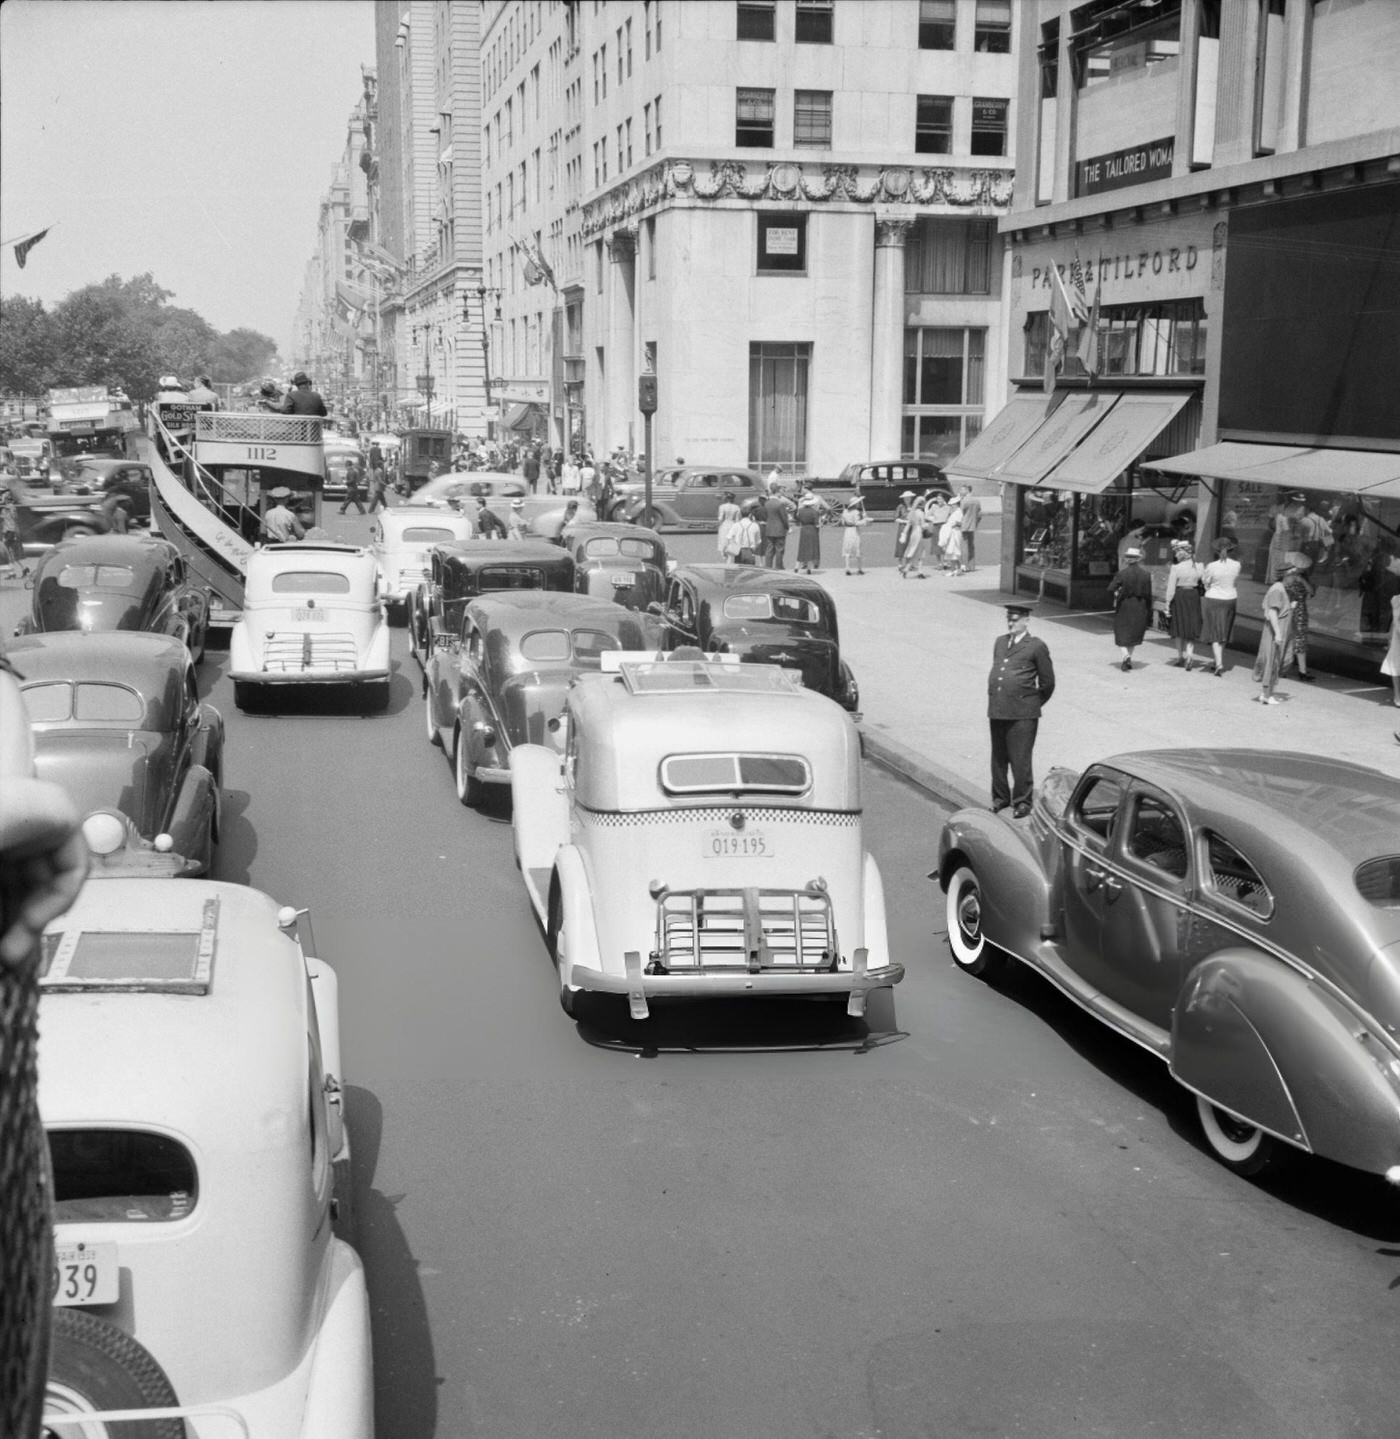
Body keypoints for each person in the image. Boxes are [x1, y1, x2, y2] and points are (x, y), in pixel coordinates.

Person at [987, 601, 1055, 818]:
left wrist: (1031, 703)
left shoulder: (1036, 646)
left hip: (1023, 713)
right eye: (1008, 618)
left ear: (1027, 621)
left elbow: (1047, 682)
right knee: (998, 758)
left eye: (1015, 619)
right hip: (998, 708)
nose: (1011, 623)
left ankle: (1022, 801)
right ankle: (1000, 797)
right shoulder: (1000, 642)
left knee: (1020, 759)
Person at [1252, 563, 1297, 705]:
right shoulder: (1277, 589)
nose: (1294, 578)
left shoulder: (1282, 589)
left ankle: (1267, 693)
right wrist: (1277, 633)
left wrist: (1290, 607)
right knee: (1272, 660)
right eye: (1292, 575)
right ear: (1285, 575)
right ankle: (1266, 695)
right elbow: (1272, 612)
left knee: (1276, 661)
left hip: (1280, 629)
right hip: (1275, 630)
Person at [1106, 546, 1153, 671]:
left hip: (1125, 605)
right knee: (1134, 633)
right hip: (1140, 605)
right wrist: (1149, 610)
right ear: (1138, 559)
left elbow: (1110, 588)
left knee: (1121, 632)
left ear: (1128, 559)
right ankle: (1128, 658)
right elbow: (1148, 594)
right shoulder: (1146, 574)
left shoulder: (1122, 573)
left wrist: (1117, 595)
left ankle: (1125, 655)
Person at [1200, 535, 1241, 676]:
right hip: (1230, 599)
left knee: (1214, 632)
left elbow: (1205, 582)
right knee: (1224, 632)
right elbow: (1235, 582)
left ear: (1216, 551)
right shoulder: (1237, 565)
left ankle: (1218, 663)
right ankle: (1217, 659)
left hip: (1214, 599)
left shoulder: (1211, 566)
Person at [1163, 539, 1205, 670]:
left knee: (1179, 627)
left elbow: (1171, 588)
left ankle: (1180, 657)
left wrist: (1167, 604)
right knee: (1190, 627)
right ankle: (1190, 655)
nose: (1175, 554)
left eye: (1176, 552)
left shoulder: (1176, 568)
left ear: (1180, 554)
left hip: (1180, 596)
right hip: (1193, 596)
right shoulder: (1199, 566)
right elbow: (1204, 582)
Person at [1283, 561, 1317, 682]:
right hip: (1293, 612)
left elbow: (1311, 592)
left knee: (1298, 641)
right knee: (1290, 640)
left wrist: (1301, 580)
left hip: (1298, 613)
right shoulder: (1286, 579)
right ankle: (1287, 668)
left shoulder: (1301, 579)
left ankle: (1301, 670)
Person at [793, 487, 825, 574]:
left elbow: (798, 519)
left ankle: (796, 566)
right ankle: (809, 568)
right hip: (812, 530)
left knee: (802, 548)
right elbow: (817, 524)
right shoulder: (814, 512)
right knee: (811, 549)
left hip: (803, 529)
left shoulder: (801, 511)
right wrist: (820, 524)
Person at [898, 496, 932, 578]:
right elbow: (923, 525)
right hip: (919, 532)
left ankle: (907, 568)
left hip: (913, 533)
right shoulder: (921, 513)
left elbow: (908, 525)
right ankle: (920, 571)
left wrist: (904, 534)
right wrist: (928, 524)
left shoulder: (912, 513)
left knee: (913, 551)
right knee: (920, 553)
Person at [761, 485, 792, 569]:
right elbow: (784, 518)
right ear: (777, 492)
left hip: (769, 529)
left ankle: (768, 566)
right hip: (779, 529)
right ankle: (779, 567)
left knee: (769, 549)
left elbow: (764, 516)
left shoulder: (766, 503)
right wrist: (787, 527)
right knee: (779, 549)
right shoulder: (780, 504)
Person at [1, 485, 28, 578]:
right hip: (8, 531)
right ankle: (21, 569)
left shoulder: (9, 507)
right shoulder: (6, 507)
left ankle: (13, 572)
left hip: (10, 531)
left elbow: (12, 518)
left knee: (7, 552)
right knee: (10, 553)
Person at [724, 499, 763, 564]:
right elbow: (758, 541)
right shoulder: (755, 525)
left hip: (738, 551)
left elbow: (729, 538)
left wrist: (733, 546)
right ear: (750, 514)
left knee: (739, 570)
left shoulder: (736, 525)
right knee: (749, 570)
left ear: (741, 514)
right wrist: (754, 547)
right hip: (750, 550)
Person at [956, 485, 982, 573]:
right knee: (971, 545)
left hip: (964, 525)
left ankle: (965, 565)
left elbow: (960, 513)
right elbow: (979, 515)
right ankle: (972, 565)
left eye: (961, 489)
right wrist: (976, 522)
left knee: (964, 546)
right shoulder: (977, 501)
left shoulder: (964, 501)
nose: (960, 491)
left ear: (966, 490)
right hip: (973, 525)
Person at [840, 496, 869, 575]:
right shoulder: (856, 512)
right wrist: (864, 520)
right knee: (857, 548)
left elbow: (843, 522)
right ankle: (859, 568)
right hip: (854, 531)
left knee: (847, 549)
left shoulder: (845, 511)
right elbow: (857, 523)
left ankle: (847, 568)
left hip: (847, 531)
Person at [1381, 585, 1400, 708]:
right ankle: (1397, 695)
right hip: (1397, 637)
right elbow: (1394, 621)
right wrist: (1390, 637)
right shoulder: (1396, 600)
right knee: (1395, 665)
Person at [716, 490, 741, 560]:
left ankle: (724, 555)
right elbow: (737, 520)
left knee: (724, 541)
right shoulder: (737, 507)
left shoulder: (722, 507)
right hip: (733, 524)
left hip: (725, 524)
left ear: (726, 498)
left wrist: (719, 526)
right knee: (732, 542)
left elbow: (720, 518)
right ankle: (730, 557)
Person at [894, 490, 917, 562]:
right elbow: (896, 518)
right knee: (901, 545)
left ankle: (909, 563)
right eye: (906, 498)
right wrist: (904, 521)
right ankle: (900, 563)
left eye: (909, 498)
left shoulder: (913, 506)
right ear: (904, 499)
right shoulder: (901, 507)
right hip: (903, 527)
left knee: (911, 544)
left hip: (912, 528)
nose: (907, 499)